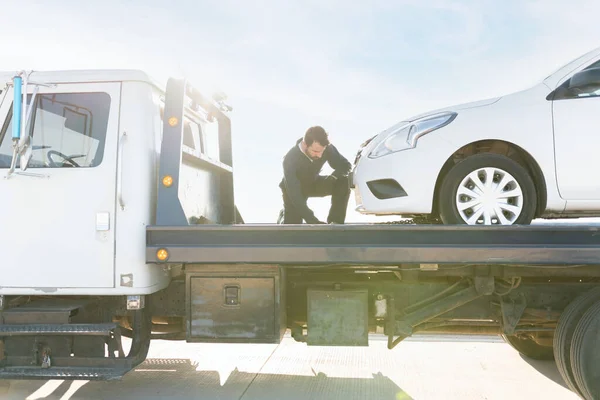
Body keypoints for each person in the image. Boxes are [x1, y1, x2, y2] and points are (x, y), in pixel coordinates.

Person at [278, 126, 352, 224]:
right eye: (316, 151)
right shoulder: (290, 159)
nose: (320, 155)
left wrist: (333, 177)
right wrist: (312, 221)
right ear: (305, 145)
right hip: (293, 190)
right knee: (293, 225)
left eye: (322, 151)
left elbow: (345, 165)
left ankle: (335, 223)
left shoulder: (327, 148)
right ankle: (283, 215)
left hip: (313, 183)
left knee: (343, 181)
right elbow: (294, 194)